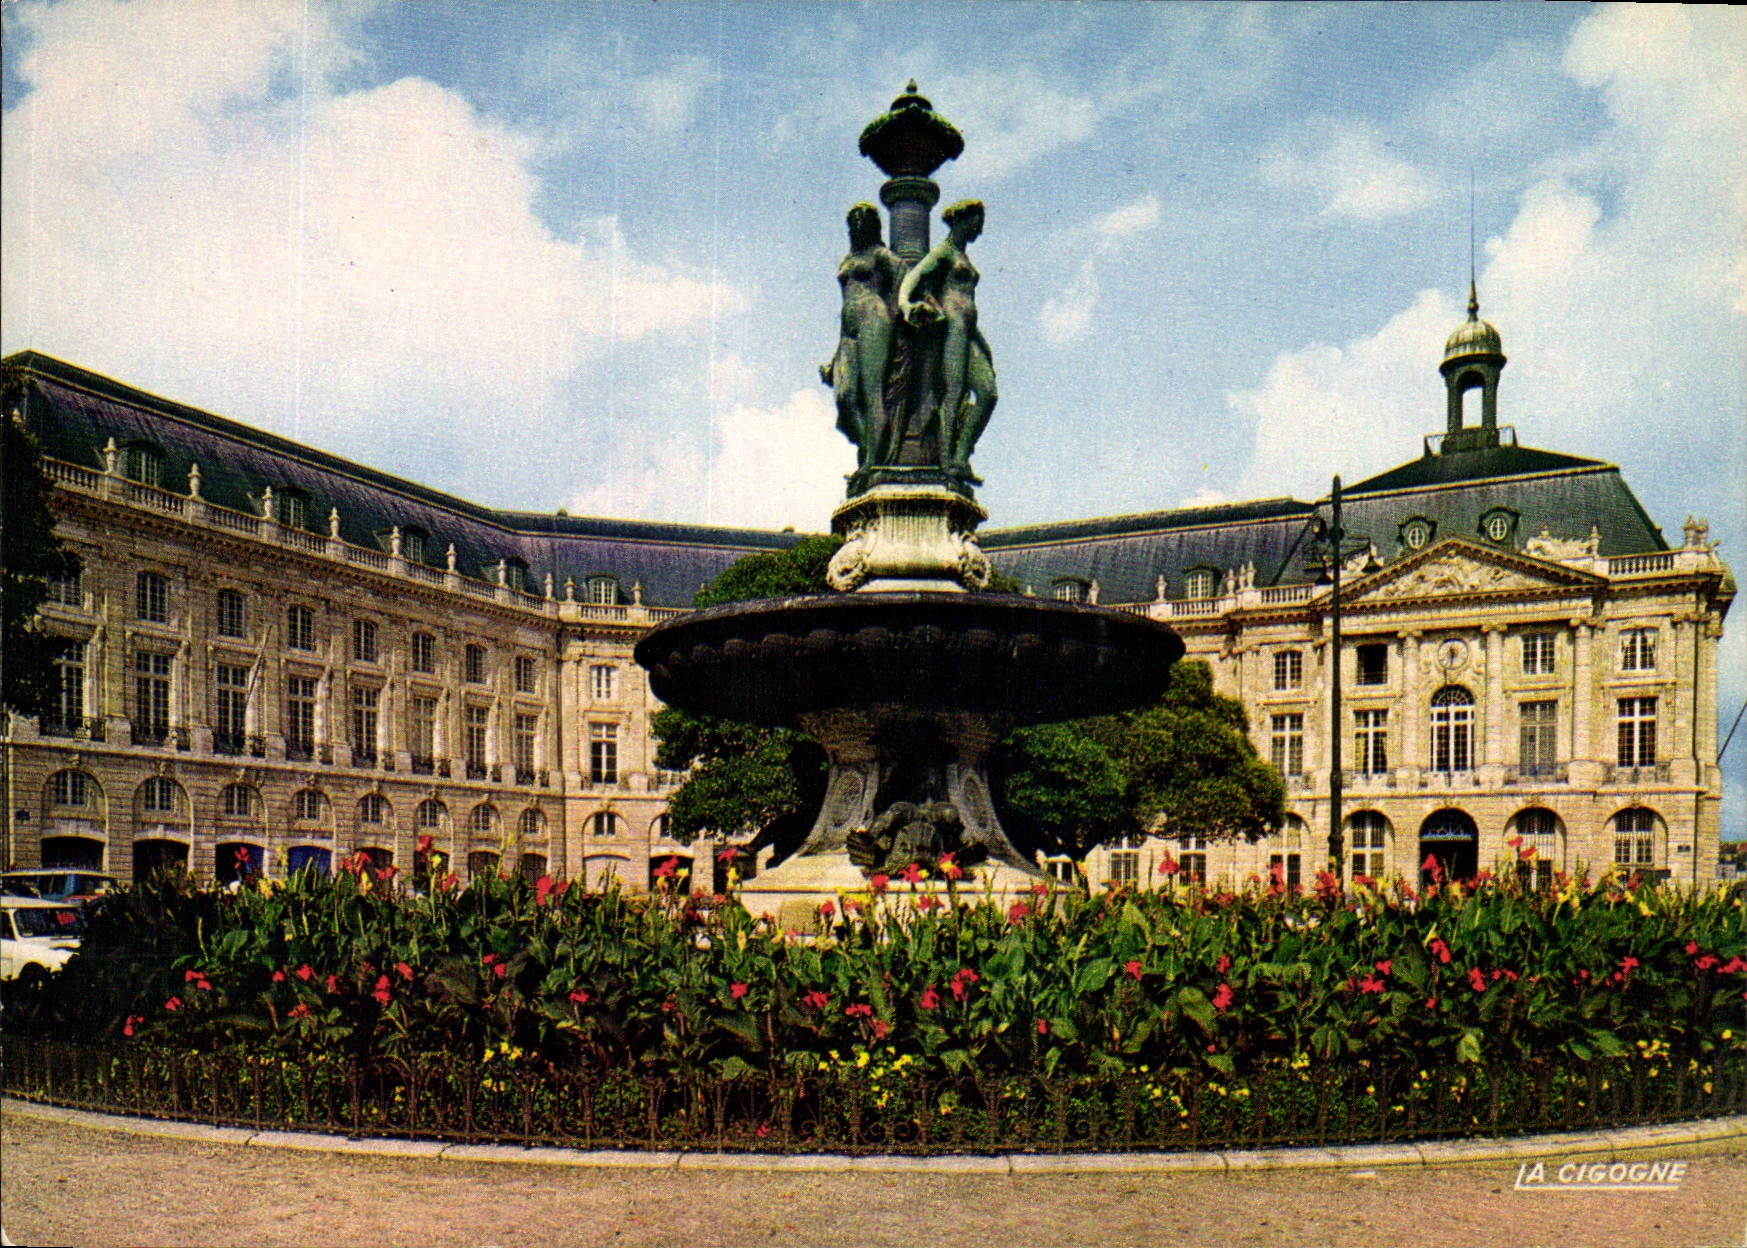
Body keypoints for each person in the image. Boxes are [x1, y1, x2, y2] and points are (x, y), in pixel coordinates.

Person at [897, 198, 997, 475]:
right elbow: (913, 277)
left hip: (970, 331)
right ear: (963, 220)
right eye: (977, 223)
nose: (980, 229)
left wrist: (986, 348)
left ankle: (961, 455)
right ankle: (947, 461)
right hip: (952, 330)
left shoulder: (963, 257)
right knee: (954, 392)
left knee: (988, 393)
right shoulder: (943, 252)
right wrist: (905, 304)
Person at [822, 203, 902, 468]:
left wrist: (895, 313)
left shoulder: (879, 254)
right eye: (852, 221)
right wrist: (835, 359)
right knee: (844, 395)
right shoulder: (847, 259)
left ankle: (871, 462)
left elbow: (902, 273)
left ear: (872, 225)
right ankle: (868, 447)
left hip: (873, 317)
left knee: (872, 393)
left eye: (861, 220)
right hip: (849, 326)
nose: (856, 225)